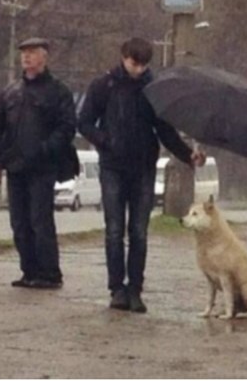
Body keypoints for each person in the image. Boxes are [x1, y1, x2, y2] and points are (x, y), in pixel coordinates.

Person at [78, 37, 205, 313]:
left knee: (139, 232)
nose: (137, 70)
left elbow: (165, 130)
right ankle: (116, 289)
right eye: (134, 64)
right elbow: (85, 121)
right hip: (112, 166)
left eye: (143, 65)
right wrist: (105, 140)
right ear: (124, 57)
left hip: (143, 167)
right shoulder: (104, 85)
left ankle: (135, 288)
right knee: (114, 231)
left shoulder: (152, 89)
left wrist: (187, 155)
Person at [0, 37, 76, 288]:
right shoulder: (11, 92)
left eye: (32, 52)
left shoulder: (58, 91)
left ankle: (49, 273)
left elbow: (67, 127)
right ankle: (29, 270)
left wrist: (46, 149)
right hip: (15, 165)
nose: (26, 57)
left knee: (40, 220)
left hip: (42, 166)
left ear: (44, 57)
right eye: (23, 53)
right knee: (19, 222)